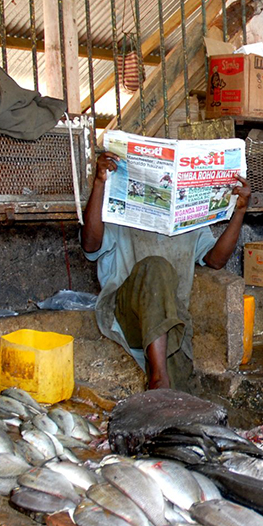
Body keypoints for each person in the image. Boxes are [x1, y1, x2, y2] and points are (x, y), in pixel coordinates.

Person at [81, 151, 251, 391]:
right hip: (125, 313)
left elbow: (215, 260)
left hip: (172, 317)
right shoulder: (120, 214)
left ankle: (165, 388)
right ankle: (158, 380)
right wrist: (99, 183)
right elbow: (90, 245)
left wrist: (240, 212)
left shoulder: (189, 221)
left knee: (187, 404)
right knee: (155, 267)